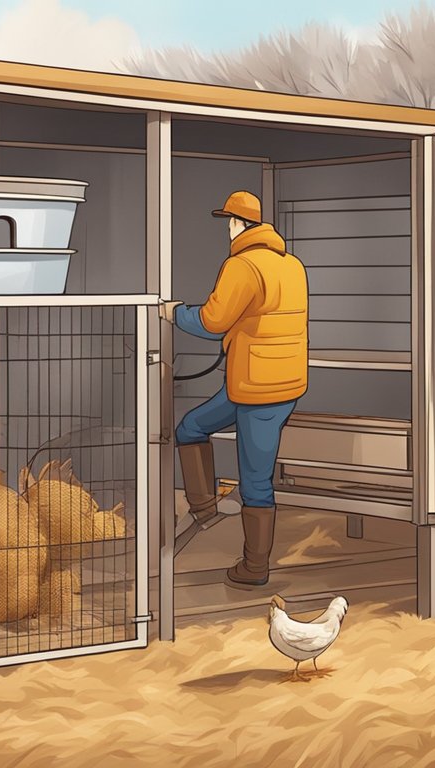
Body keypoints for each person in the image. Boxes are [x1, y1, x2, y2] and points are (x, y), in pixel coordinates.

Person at [160, 190, 308, 587]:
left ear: (240, 225)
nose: (227, 226)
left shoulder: (242, 266)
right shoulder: (291, 265)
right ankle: (204, 508)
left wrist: (174, 314)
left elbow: (212, 320)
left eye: (229, 220)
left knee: (255, 480)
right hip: (280, 383)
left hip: (256, 388)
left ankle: (254, 567)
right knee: (191, 427)